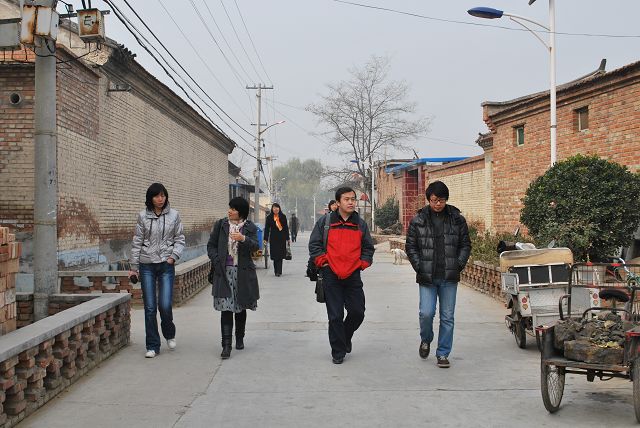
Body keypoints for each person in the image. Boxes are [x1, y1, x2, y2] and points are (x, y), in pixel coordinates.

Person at [405, 181, 471, 368]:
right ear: (429, 199)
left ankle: (442, 353)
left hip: (449, 276)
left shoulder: (457, 219)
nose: (438, 204)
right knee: (426, 313)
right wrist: (419, 266)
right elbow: (411, 246)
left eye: (441, 200)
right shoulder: (419, 220)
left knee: (447, 317)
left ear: (446, 199)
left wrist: (458, 264)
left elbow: (465, 245)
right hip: (427, 276)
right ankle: (426, 339)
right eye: (434, 200)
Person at [309, 187, 375, 364]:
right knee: (335, 316)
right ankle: (338, 351)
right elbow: (314, 245)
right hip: (331, 275)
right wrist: (323, 263)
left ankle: (345, 336)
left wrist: (362, 264)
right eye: (346, 199)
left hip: (353, 275)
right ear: (338, 203)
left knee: (357, 312)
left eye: (353, 199)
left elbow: (368, 248)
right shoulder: (325, 222)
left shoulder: (360, 224)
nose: (351, 202)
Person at [129, 183, 185, 359]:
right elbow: (137, 242)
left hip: (166, 265)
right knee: (150, 307)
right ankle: (153, 345)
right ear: (150, 198)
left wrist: (173, 257)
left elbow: (180, 239)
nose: (160, 199)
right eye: (156, 196)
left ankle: (169, 333)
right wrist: (134, 268)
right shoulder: (142, 216)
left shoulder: (174, 215)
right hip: (147, 265)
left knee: (165, 305)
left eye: (163, 195)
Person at [207, 197, 260, 359]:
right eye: (230, 208)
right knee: (226, 308)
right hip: (224, 273)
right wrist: (217, 261)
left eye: (234, 209)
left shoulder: (249, 227)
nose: (230, 211)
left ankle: (240, 337)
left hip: (243, 273)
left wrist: (243, 239)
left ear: (241, 212)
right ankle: (226, 345)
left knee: (240, 307)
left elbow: (256, 247)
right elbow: (211, 246)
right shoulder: (221, 225)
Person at [264, 203, 290, 277]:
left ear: (279, 208)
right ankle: (276, 271)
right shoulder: (269, 217)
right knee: (275, 255)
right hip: (273, 238)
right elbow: (267, 229)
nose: (276, 209)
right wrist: (265, 238)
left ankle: (279, 271)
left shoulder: (283, 216)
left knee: (280, 255)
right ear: (272, 209)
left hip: (282, 238)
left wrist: (287, 238)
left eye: (277, 207)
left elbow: (286, 228)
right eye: (274, 208)